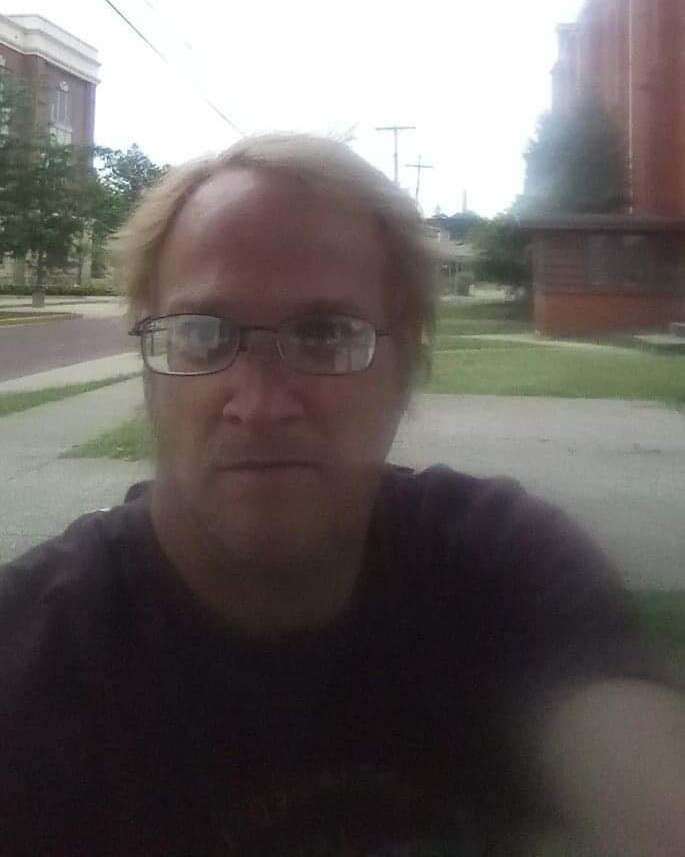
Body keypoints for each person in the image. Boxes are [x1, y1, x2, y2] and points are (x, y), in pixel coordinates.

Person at [1, 134, 683, 857]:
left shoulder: (500, 565)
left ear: (405, 363)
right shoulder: (34, 651)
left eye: (325, 334)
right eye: (202, 334)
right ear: (148, 364)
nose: (260, 406)